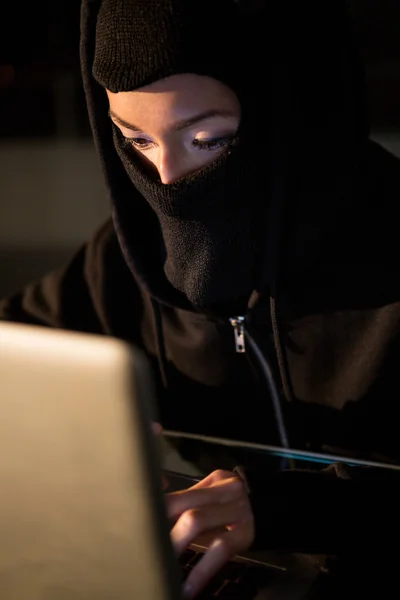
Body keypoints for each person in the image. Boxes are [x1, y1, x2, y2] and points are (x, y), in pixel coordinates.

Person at [2, 0, 400, 596]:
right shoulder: (126, 255)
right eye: (135, 140)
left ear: (293, 110)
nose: (167, 181)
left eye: (208, 140)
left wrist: (288, 508)